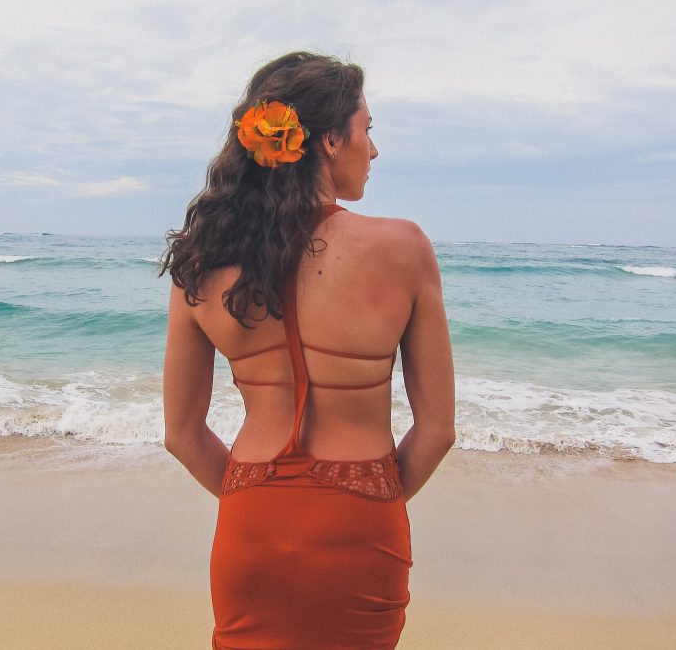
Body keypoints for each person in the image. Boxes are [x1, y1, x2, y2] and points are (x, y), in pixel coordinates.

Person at [160, 51, 455, 649]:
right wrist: (373, 498)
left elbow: (182, 435)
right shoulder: (403, 248)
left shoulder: (200, 263)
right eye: (367, 130)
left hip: (252, 521)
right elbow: (438, 430)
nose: (372, 149)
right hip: (362, 518)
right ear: (327, 141)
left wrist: (265, 499)